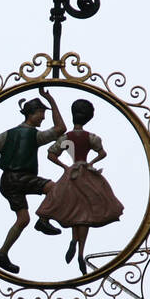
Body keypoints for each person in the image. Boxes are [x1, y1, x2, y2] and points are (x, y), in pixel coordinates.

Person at [0, 89, 66, 274]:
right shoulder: (33, 135)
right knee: (54, 188)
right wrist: (51, 99)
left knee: (22, 219)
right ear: (31, 114)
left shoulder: (9, 134)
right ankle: (43, 219)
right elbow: (61, 129)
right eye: (41, 114)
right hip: (20, 178)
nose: (43, 118)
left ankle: (1, 254)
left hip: (8, 181)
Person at [38, 98, 124, 273]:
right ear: (88, 117)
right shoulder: (91, 137)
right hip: (87, 175)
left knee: (75, 210)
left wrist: (66, 167)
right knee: (84, 213)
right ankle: (80, 251)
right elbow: (102, 153)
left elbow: (51, 154)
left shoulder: (66, 137)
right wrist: (90, 163)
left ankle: (73, 242)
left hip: (72, 175)